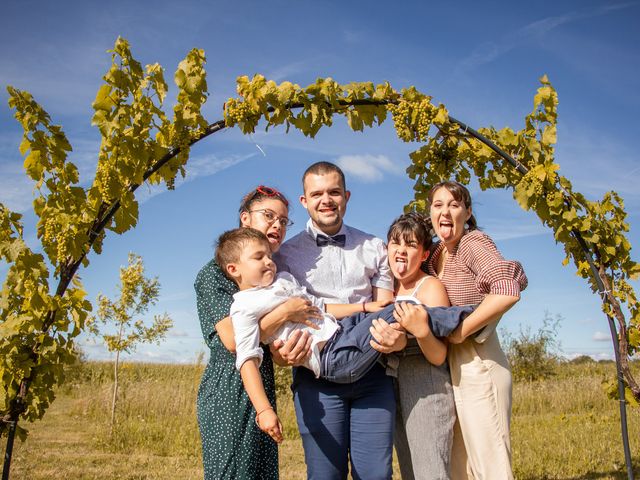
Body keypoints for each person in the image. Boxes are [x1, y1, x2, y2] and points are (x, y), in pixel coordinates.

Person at [216, 227, 472, 445]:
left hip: (342, 332)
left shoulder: (283, 280)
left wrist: (363, 307)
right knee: (400, 310)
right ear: (234, 269)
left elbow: (320, 306)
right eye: (258, 257)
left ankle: (448, 321)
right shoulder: (244, 306)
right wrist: (264, 410)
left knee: (390, 312)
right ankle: (464, 320)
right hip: (332, 358)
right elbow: (247, 358)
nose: (268, 261)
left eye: (269, 255)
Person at [274, 161, 404, 480]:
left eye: (334, 192)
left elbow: (384, 307)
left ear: (346, 196)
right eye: (316, 193)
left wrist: (394, 333)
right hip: (316, 378)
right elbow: (292, 314)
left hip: (373, 374)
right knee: (324, 475)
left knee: (375, 474)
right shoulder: (284, 256)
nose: (326, 200)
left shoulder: (375, 248)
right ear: (304, 201)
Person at [194, 185, 320, 480]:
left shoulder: (269, 274)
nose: (277, 224)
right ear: (245, 219)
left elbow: (266, 343)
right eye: (269, 215)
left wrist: (283, 352)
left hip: (260, 385)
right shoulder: (216, 273)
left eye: (284, 220)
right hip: (230, 391)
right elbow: (234, 340)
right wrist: (285, 312)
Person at [426, 181, 528, 480]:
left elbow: (507, 289)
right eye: (438, 204)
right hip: (448, 363)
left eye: (454, 205)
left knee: (489, 463)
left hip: (478, 359)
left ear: (467, 212)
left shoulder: (473, 243)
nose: (446, 211)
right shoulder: (436, 255)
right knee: (460, 463)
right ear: (430, 212)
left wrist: (462, 330)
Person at [386, 212, 458, 480]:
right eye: (395, 243)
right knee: (408, 470)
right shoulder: (386, 290)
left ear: (425, 254)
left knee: (430, 470)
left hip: (425, 384)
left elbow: (440, 355)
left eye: (411, 245)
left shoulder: (430, 288)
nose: (401, 251)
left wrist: (421, 331)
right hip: (390, 383)